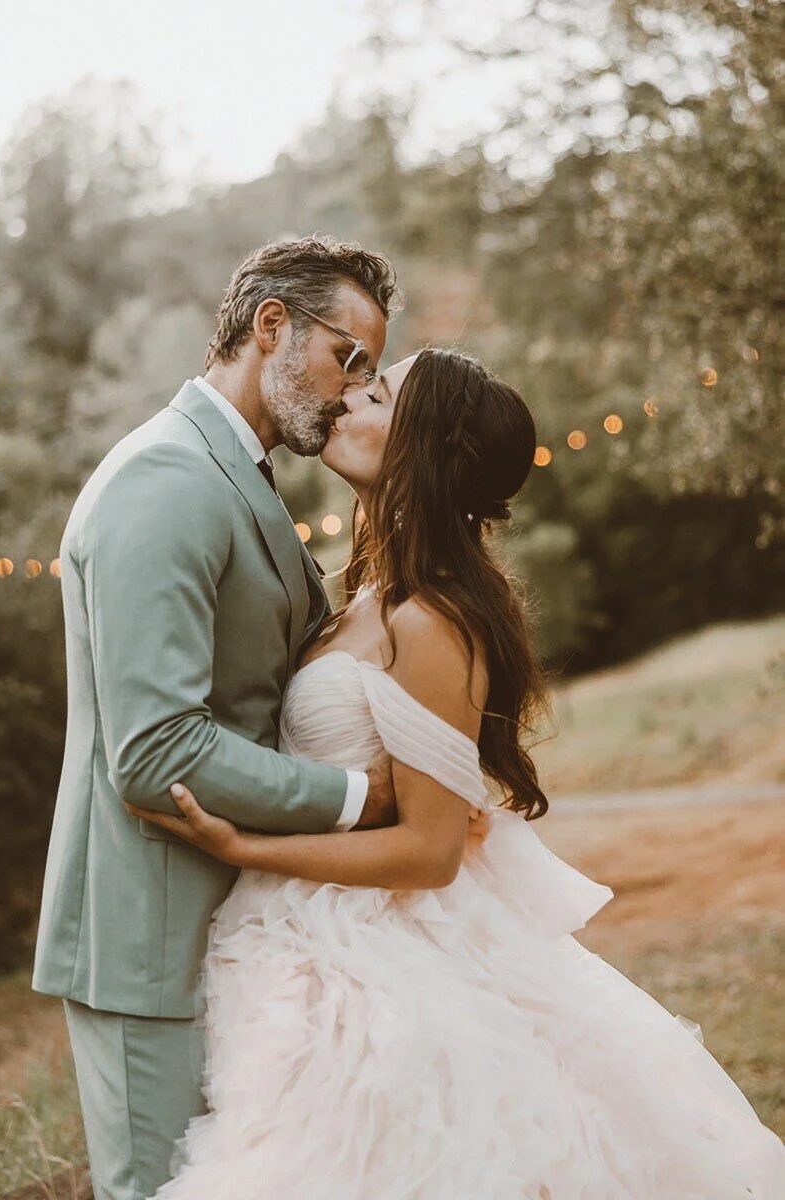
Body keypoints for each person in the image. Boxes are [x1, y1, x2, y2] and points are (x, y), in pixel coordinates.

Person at [132, 348, 785, 1199]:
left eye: (377, 394)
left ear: (425, 448)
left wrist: (247, 845)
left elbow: (433, 850)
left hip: (374, 950)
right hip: (306, 935)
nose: (347, 400)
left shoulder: (431, 619)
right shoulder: (366, 592)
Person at [32, 236, 412, 1200]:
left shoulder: (238, 473)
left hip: (241, 930)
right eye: (348, 357)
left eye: (369, 369)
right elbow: (157, 751)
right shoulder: (163, 480)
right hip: (148, 938)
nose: (351, 389)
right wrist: (358, 801)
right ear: (271, 326)